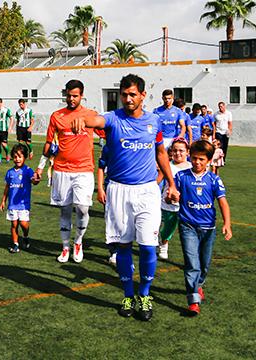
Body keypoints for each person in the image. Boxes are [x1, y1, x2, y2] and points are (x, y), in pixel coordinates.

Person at [69, 74, 179, 321]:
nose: (128, 99)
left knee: (149, 248)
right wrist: (81, 120)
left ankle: (145, 295)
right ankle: (128, 295)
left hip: (148, 191)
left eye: (132, 94)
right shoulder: (112, 118)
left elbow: (161, 153)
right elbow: (94, 119)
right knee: (124, 246)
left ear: (142, 95)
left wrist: (171, 184)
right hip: (118, 190)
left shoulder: (155, 122)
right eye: (124, 94)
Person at [35, 80, 97, 264]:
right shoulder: (56, 116)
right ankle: (65, 247)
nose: (71, 99)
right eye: (69, 95)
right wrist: (40, 167)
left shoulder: (91, 116)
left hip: (84, 170)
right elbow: (49, 144)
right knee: (65, 210)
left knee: (83, 208)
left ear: (82, 95)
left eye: (75, 96)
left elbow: (108, 132)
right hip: (61, 170)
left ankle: (78, 242)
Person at [175, 140, 231, 316]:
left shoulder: (214, 179)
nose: (197, 162)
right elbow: (172, 195)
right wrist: (171, 198)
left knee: (204, 264)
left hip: (208, 228)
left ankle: (198, 285)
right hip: (187, 226)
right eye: (194, 158)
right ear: (190, 158)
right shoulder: (181, 177)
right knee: (192, 263)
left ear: (208, 161)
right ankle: (193, 301)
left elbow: (222, 202)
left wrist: (227, 224)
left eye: (201, 159)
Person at [0, 144, 40, 253]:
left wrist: (36, 179)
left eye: (20, 156)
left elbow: (34, 181)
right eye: (15, 156)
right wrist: (3, 200)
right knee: (14, 224)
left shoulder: (28, 170)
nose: (17, 159)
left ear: (25, 157)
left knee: (23, 223)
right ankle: (15, 243)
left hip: (23, 204)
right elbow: (7, 187)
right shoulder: (10, 172)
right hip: (12, 204)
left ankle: (26, 236)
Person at [157, 138, 191, 260]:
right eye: (175, 150)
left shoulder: (192, 167)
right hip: (169, 204)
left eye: (181, 150)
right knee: (169, 227)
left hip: (187, 206)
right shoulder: (168, 166)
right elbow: (157, 181)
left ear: (187, 152)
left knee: (187, 231)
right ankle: (163, 245)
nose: (178, 153)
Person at [96, 144, 117, 266]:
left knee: (127, 222)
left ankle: (124, 253)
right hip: (111, 187)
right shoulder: (108, 146)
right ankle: (114, 251)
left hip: (131, 188)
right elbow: (101, 167)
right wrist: (100, 188)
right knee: (112, 221)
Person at [0, 98, 13, 163]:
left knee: (4, 144)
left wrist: (10, 127)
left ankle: (8, 154)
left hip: (4, 130)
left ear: (1, 103)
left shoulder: (6, 110)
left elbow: (12, 118)